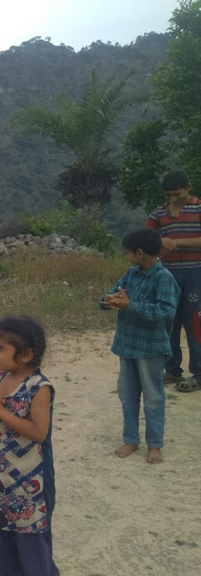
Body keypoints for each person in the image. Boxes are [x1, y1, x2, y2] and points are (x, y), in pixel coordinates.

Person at [0, 316, 59, 576]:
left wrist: (2, 412)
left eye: (0, 348)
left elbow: (38, 432)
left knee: (31, 540)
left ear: (25, 355)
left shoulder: (40, 387)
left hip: (30, 482)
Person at [100, 228, 180, 464]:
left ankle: (154, 444)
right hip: (127, 345)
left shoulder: (164, 278)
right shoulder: (131, 274)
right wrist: (107, 300)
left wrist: (130, 306)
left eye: (127, 253)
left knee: (153, 396)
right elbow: (115, 294)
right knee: (128, 394)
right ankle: (131, 439)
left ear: (140, 252)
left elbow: (166, 311)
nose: (126, 257)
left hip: (151, 348)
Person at [145, 170, 201, 393]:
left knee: (194, 323)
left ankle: (199, 373)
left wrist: (178, 242)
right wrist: (159, 241)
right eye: (169, 195)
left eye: (177, 194)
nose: (173, 199)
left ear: (188, 186)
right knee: (169, 322)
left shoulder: (198, 207)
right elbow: (145, 235)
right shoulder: (160, 212)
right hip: (167, 274)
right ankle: (172, 369)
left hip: (196, 272)